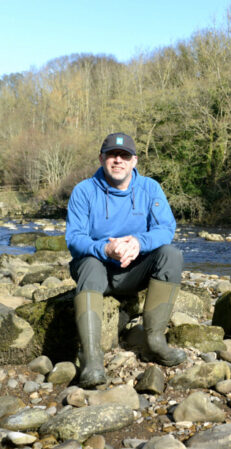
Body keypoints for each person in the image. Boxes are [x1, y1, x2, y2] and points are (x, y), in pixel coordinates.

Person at [65, 132, 186, 388]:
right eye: (112, 155)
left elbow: (166, 228)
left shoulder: (150, 188)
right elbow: (74, 238)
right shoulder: (83, 191)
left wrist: (140, 243)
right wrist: (105, 249)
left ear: (134, 161)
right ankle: (91, 359)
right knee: (88, 261)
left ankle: (155, 341)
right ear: (101, 159)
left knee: (171, 255)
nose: (118, 160)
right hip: (96, 272)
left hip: (135, 271)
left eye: (124, 156)